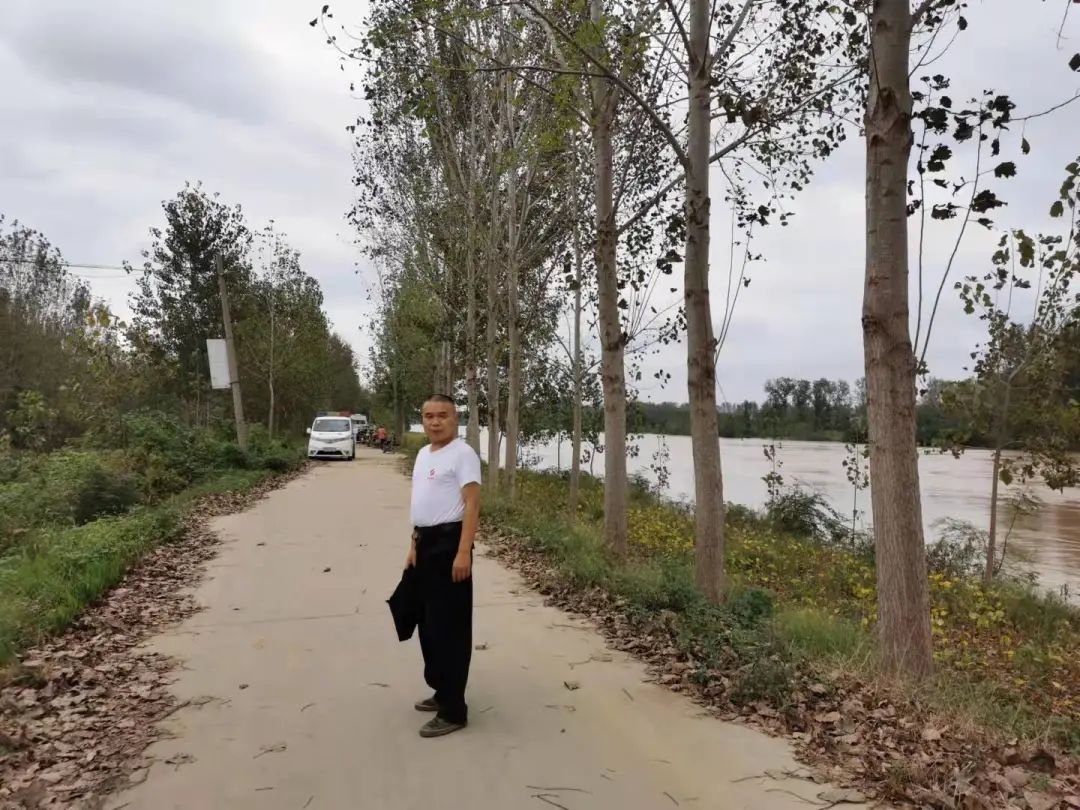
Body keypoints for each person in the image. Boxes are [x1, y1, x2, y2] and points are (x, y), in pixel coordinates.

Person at [407, 394, 480, 738]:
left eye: (442, 415)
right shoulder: (424, 454)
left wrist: (463, 552)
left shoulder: (463, 454)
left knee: (450, 628)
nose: (435, 422)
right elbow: (422, 503)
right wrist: (413, 544)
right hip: (425, 543)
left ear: (455, 419)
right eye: (428, 416)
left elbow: (472, 505)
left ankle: (454, 710)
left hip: (450, 545)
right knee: (427, 624)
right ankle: (441, 690)